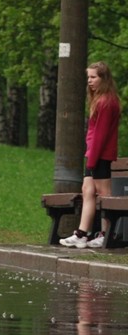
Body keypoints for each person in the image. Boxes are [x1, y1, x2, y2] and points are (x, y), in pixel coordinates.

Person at [60, 61, 121, 249]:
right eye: (88, 77)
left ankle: (106, 234)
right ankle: (82, 234)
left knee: (104, 193)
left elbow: (100, 136)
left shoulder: (107, 102)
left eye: (93, 77)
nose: (90, 81)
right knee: (88, 191)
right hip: (93, 154)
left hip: (100, 155)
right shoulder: (99, 100)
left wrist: (92, 161)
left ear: (104, 78)